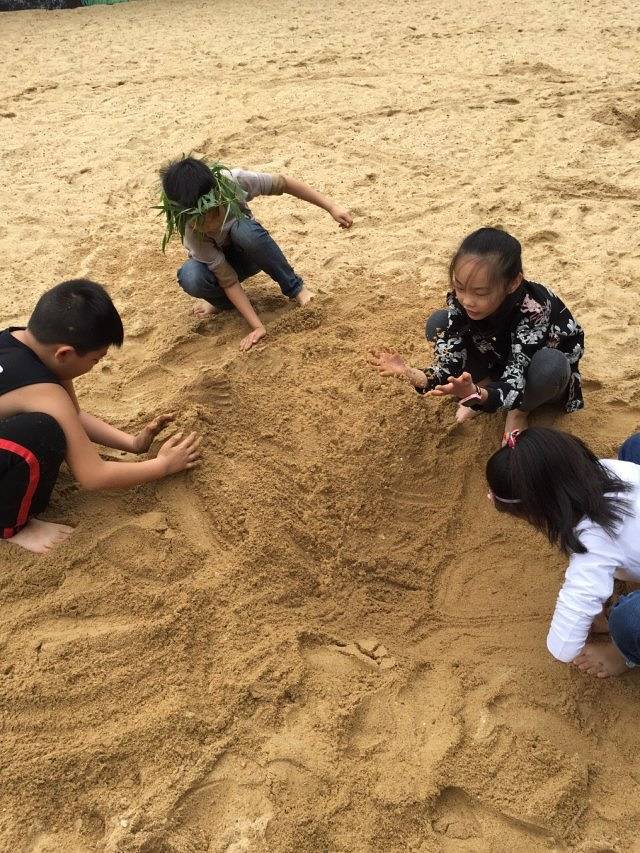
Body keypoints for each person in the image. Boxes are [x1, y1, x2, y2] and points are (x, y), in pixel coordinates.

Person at [0, 279, 200, 555]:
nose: (94, 366)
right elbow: (93, 475)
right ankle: (12, 526)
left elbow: (73, 414)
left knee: (44, 425)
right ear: (64, 353)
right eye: (95, 360)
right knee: (42, 432)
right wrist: (163, 466)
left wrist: (132, 444)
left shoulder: (17, 338)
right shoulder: (45, 392)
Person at [368, 227, 584, 443]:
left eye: (480, 293)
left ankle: (519, 413)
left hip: (536, 369)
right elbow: (450, 362)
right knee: (439, 322)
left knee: (551, 365)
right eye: (460, 287)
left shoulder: (534, 310)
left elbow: (517, 377)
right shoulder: (461, 301)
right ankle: (483, 382)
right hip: (497, 352)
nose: (467, 300)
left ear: (513, 283)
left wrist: (477, 396)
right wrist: (411, 373)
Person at [486, 426, 640, 678]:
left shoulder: (594, 543)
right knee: (635, 447)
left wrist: (601, 616)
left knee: (628, 621)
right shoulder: (609, 469)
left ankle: (624, 655)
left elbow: (563, 647)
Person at [158, 156, 353, 351]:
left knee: (244, 231)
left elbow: (284, 183)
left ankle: (296, 289)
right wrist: (257, 326)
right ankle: (221, 303)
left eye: (212, 211)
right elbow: (228, 280)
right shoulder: (190, 233)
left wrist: (331, 207)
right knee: (191, 276)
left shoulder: (231, 181)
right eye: (198, 219)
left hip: (252, 254)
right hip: (220, 272)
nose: (208, 222)